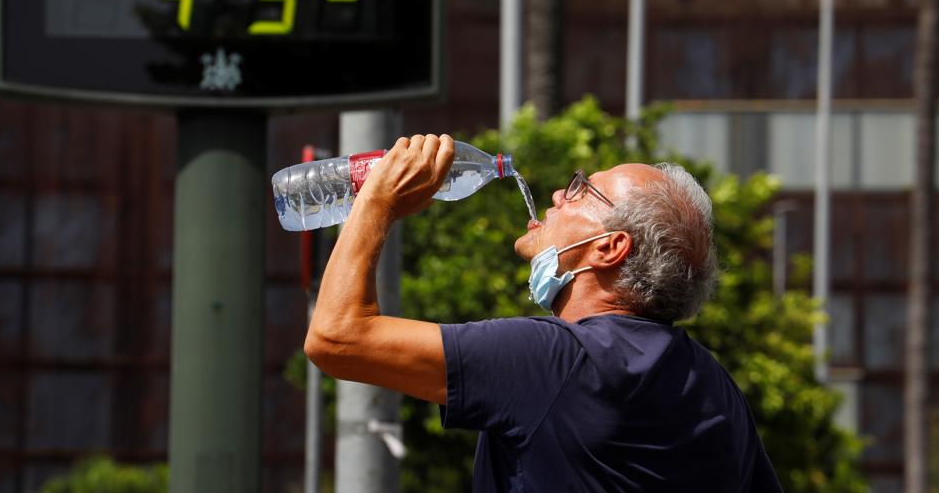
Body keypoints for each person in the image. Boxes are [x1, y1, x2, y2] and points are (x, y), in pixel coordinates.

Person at [304, 133, 783, 492]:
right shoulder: (714, 386)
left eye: (581, 191)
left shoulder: (555, 361)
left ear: (610, 247)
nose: (558, 195)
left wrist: (378, 202)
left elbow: (336, 337)